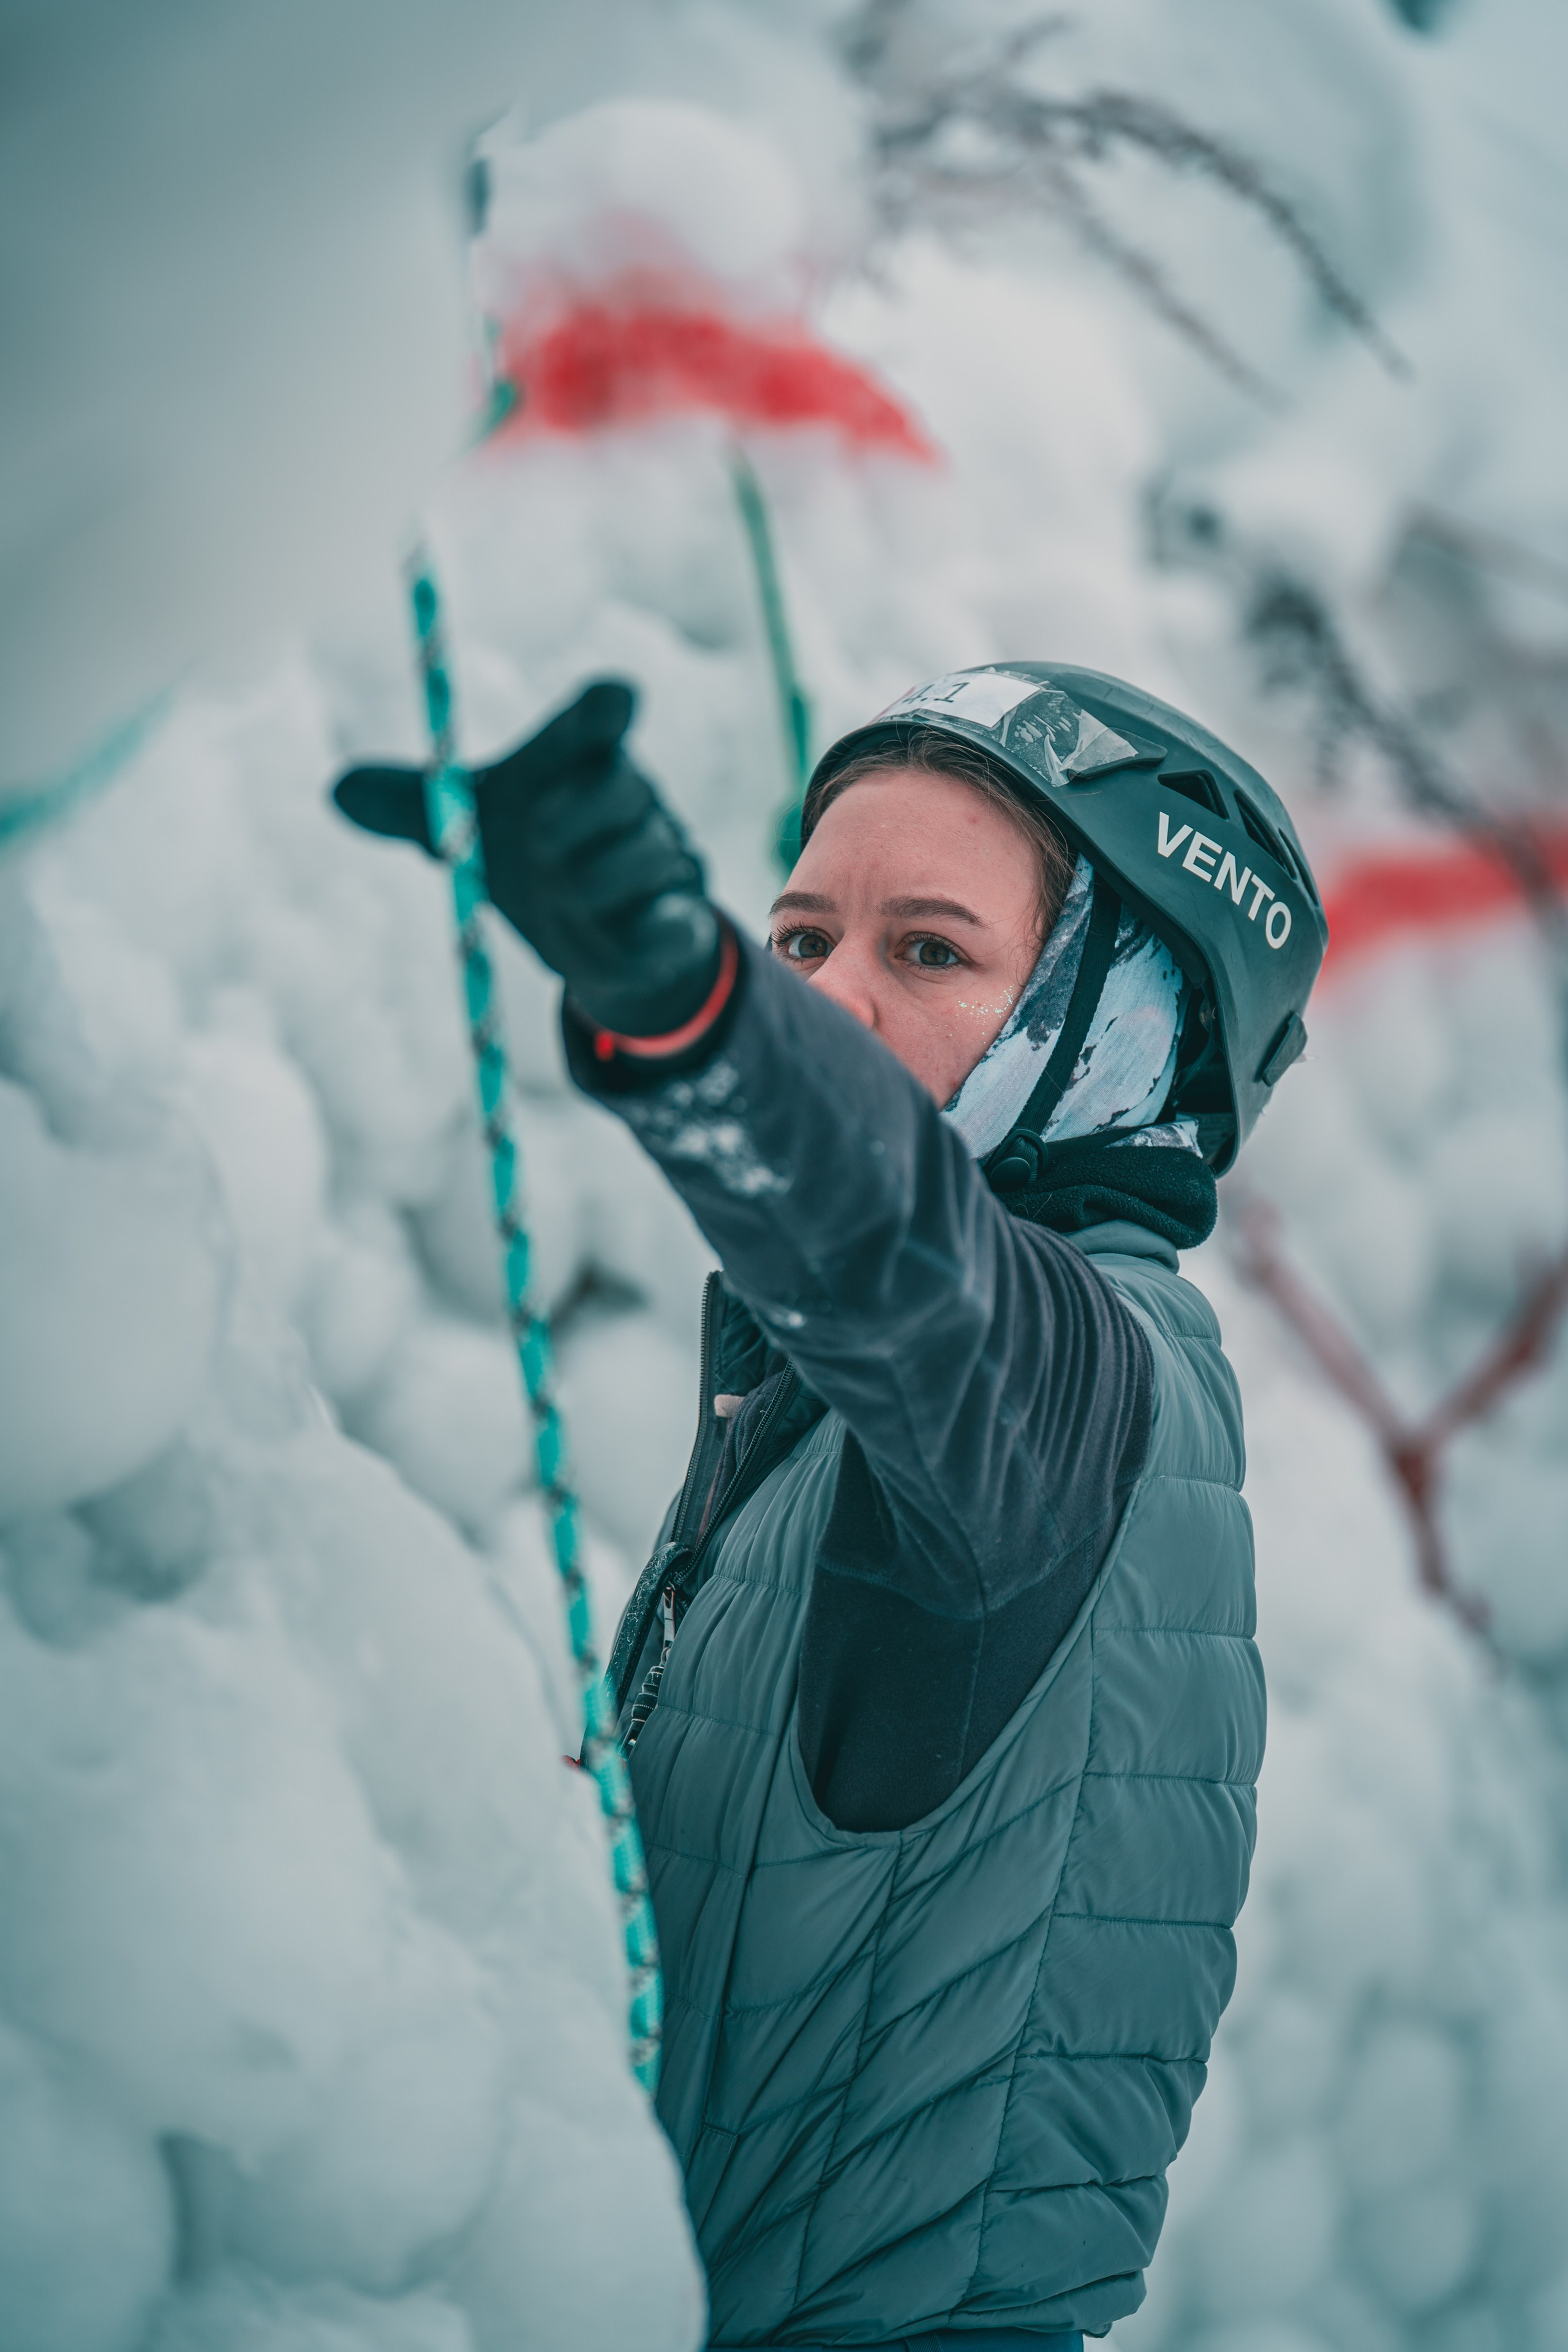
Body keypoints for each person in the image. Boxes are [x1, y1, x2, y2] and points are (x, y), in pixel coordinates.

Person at [335, 661, 1327, 2350]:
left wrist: (685, 989)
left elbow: (898, 1240)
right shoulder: (855, 1404)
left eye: (929, 951)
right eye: (799, 943)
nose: (835, 997)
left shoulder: (1077, 1381)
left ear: (1128, 1031)